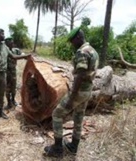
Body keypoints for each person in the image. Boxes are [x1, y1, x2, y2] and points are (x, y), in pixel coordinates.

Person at [44, 27, 99, 157]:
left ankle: (57, 149)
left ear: (78, 37)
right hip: (87, 91)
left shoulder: (82, 52)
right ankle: (73, 146)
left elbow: (80, 75)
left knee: (57, 114)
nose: (71, 43)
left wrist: (71, 97)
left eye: (72, 40)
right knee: (78, 118)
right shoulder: (93, 50)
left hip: (79, 92)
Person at [0, 29, 30, 120]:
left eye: (4, 33)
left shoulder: (5, 47)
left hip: (3, 74)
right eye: (2, 34)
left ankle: (0, 112)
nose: (4, 35)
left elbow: (13, 56)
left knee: (1, 94)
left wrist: (25, 56)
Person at [4, 37, 27, 110]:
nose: (11, 44)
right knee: (7, 89)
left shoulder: (16, 50)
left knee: (13, 87)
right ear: (6, 44)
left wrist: (26, 56)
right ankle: (8, 103)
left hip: (13, 72)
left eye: (12, 43)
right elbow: (15, 57)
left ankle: (13, 100)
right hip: (6, 72)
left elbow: (22, 54)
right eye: (9, 43)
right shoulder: (4, 51)